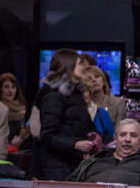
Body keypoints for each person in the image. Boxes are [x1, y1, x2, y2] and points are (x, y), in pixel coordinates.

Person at [34, 49, 98, 181]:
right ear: (68, 65)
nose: (84, 67)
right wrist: (75, 144)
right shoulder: (53, 95)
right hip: (55, 168)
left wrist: (99, 137)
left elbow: (85, 125)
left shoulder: (76, 93)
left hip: (74, 163)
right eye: (80, 63)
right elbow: (47, 135)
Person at [68, 119, 140, 186]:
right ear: (115, 139)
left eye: (133, 135)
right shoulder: (94, 161)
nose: (127, 139)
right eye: (122, 135)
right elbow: (67, 186)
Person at [0, 73, 30, 152]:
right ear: (0, 89)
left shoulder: (21, 106)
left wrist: (22, 137)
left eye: (13, 87)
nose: (11, 91)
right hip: (0, 152)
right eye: (6, 87)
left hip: (18, 151)